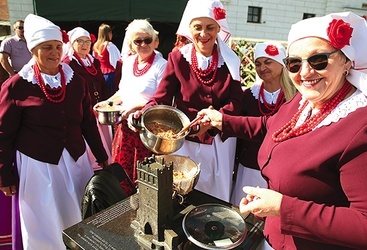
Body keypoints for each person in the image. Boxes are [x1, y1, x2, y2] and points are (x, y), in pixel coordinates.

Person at [198, 12, 367, 249]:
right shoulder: (303, 102)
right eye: (294, 63)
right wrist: (222, 120)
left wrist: (284, 208)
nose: (304, 73)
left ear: (346, 62)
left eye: (318, 60)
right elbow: (272, 126)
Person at [0, 14, 109, 249]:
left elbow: (88, 123)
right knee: (45, 219)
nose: (54, 53)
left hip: (76, 161)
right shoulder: (16, 86)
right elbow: (4, 134)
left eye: (58, 47)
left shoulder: (76, 81)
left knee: (78, 213)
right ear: (33, 50)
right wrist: (5, 174)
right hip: (38, 166)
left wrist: (102, 157)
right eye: (47, 47)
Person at [134, 0, 243, 202]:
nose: (203, 34)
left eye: (210, 27)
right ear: (189, 29)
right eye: (197, 28)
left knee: (214, 198)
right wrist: (144, 113)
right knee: (183, 194)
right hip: (185, 142)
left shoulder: (231, 61)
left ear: (219, 28)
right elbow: (161, 98)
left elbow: (236, 102)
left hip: (219, 142)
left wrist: (212, 121)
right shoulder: (177, 58)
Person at [94, 19, 166, 195]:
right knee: (122, 174)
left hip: (147, 130)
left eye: (147, 40)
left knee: (145, 178)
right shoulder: (128, 62)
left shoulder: (161, 65)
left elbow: (162, 99)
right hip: (125, 128)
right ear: (131, 44)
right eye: (138, 41)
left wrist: (137, 106)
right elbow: (122, 91)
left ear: (155, 41)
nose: (143, 44)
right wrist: (108, 102)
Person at [230, 41, 297, 206]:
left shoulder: (296, 97)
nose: (262, 68)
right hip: (249, 166)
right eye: (258, 63)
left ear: (282, 64)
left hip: (281, 169)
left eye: (268, 62)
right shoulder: (248, 96)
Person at [62, 27, 113, 170]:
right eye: (80, 41)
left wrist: (106, 102)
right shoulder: (68, 63)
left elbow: (101, 82)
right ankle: (93, 164)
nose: (84, 45)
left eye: (87, 42)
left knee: (103, 135)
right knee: (90, 133)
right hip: (84, 108)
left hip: (99, 106)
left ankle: (104, 159)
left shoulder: (93, 61)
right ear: (72, 43)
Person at [92, 23, 121, 95]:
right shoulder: (110, 45)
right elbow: (116, 62)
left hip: (99, 75)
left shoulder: (95, 46)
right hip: (110, 76)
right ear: (109, 33)